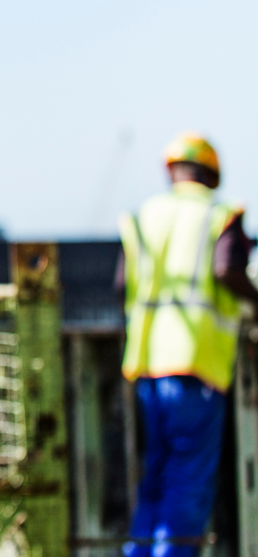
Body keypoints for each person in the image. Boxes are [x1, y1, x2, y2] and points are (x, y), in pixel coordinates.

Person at [119, 132, 258, 557]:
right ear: (211, 175)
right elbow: (228, 271)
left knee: (157, 473)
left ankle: (139, 553)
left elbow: (122, 283)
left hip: (147, 365)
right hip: (197, 361)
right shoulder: (218, 215)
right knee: (188, 476)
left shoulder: (144, 217)